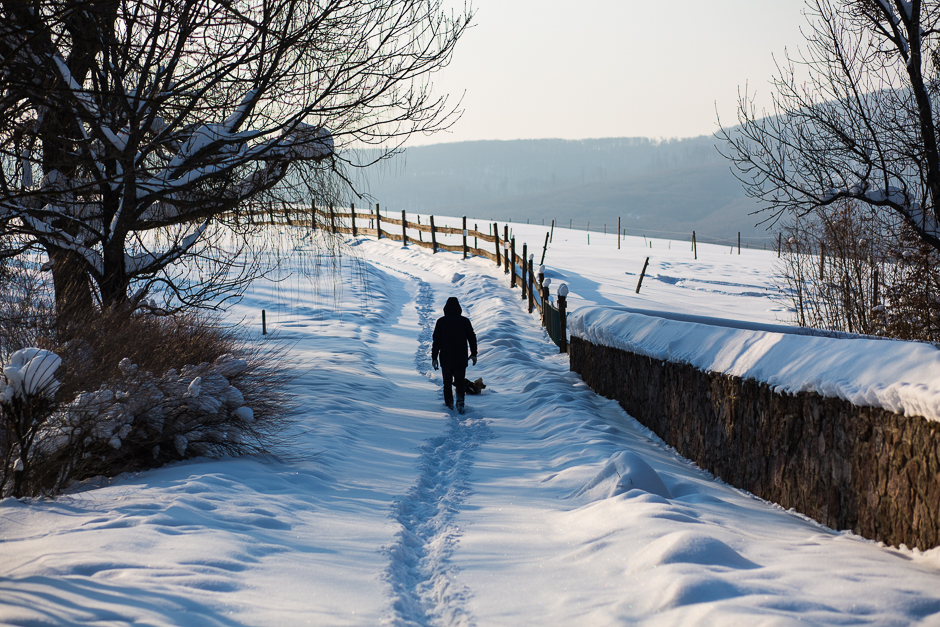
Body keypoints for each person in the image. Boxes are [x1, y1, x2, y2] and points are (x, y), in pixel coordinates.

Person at [431, 296, 478, 412]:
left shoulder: (441, 322)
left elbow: (436, 341)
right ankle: (460, 402)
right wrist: (473, 353)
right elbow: (472, 338)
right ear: (459, 309)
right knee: (460, 381)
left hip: (446, 357)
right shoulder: (465, 321)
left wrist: (434, 357)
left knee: (447, 382)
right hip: (460, 357)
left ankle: (449, 403)